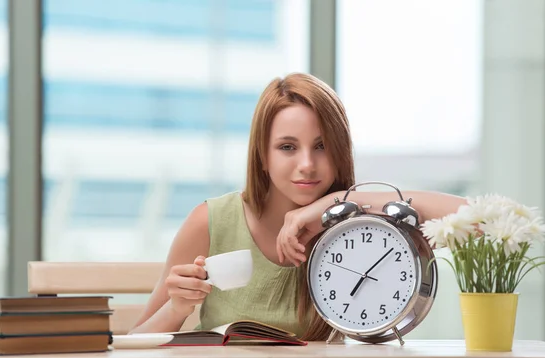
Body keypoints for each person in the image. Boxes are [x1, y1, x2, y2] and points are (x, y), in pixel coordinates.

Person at [129, 72, 467, 341]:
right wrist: (177, 308)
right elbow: (133, 343)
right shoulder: (211, 221)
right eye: (288, 147)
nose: (307, 164)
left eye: (321, 146)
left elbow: (473, 217)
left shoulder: (355, 228)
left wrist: (333, 204)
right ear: (262, 156)